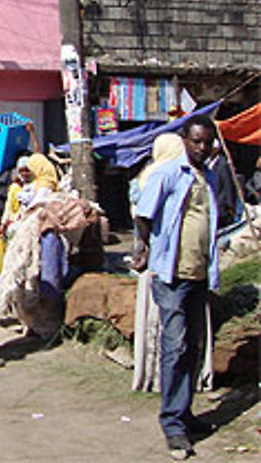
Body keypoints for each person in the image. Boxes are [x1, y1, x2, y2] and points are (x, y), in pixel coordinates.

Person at [133, 115, 222, 460]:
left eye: (207, 142)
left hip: (200, 274)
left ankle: (185, 414)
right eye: (196, 141)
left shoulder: (210, 178)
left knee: (194, 347)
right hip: (172, 276)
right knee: (176, 346)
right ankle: (172, 425)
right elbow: (144, 213)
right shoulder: (168, 173)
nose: (202, 148)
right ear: (184, 140)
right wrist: (144, 247)